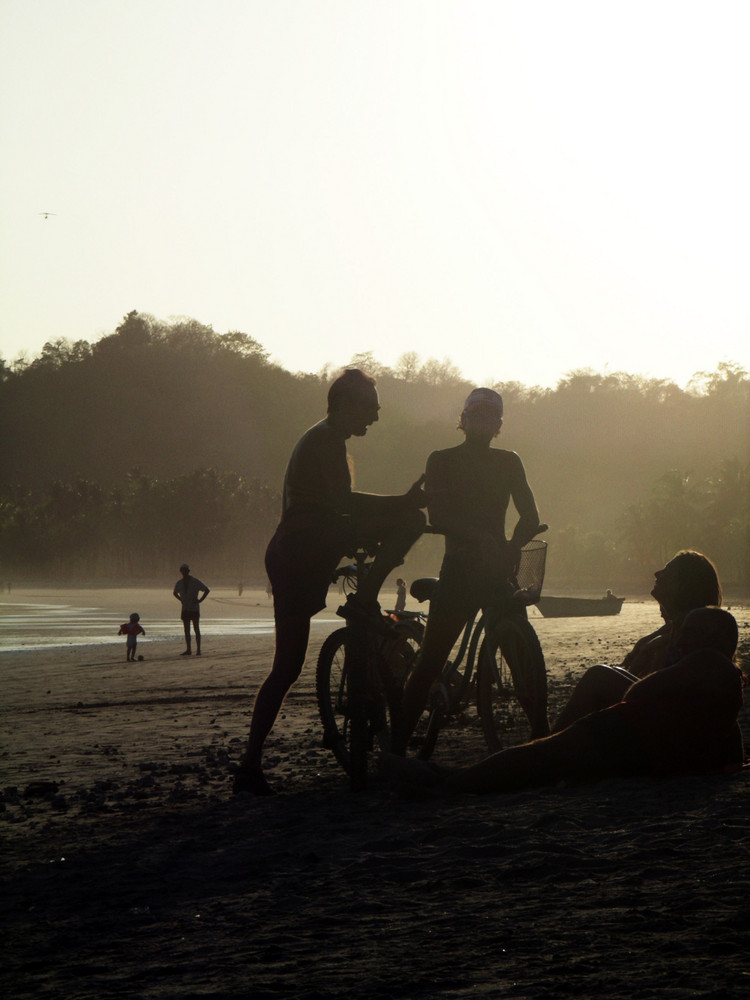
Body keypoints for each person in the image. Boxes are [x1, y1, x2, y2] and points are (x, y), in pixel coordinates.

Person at [233, 368, 427, 796]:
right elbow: (342, 503)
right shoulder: (323, 440)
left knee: (285, 668)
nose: (374, 419)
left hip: (307, 547)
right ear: (345, 405)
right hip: (300, 553)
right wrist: (402, 501)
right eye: (370, 409)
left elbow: (339, 509)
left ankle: (250, 764)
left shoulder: (328, 438)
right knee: (285, 667)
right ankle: (249, 765)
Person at [383, 607, 745, 797]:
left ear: (712, 638)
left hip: (628, 735)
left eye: (689, 634)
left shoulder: (707, 661)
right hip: (640, 746)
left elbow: (637, 694)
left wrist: (665, 673)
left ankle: (447, 783)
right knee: (544, 759)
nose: (680, 640)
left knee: (542, 755)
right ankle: (449, 777)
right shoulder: (723, 682)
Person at [391, 387, 542, 755]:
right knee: (430, 661)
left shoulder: (509, 462)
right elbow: (439, 516)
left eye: (490, 417)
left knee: (524, 665)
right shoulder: (441, 459)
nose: (482, 422)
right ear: (463, 420)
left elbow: (531, 518)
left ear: (498, 425)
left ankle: (543, 739)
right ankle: (394, 752)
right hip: (459, 570)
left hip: (497, 571)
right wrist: (479, 538)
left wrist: (510, 547)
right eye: (475, 416)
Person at [552, 549, 723, 733]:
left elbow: (671, 688)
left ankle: (552, 744)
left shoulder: (691, 634)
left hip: (668, 721)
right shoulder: (673, 629)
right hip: (656, 710)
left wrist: (645, 654)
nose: (657, 574)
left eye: (667, 570)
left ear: (682, 584)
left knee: (598, 676)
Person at [173, 564, 210, 656]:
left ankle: (198, 649)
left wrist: (200, 600)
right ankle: (188, 649)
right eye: (183, 571)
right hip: (185, 608)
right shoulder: (179, 583)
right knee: (186, 629)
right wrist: (181, 600)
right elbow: (174, 593)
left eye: (185, 571)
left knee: (196, 628)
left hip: (194, 608)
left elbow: (207, 590)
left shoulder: (195, 581)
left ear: (188, 571)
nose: (184, 572)